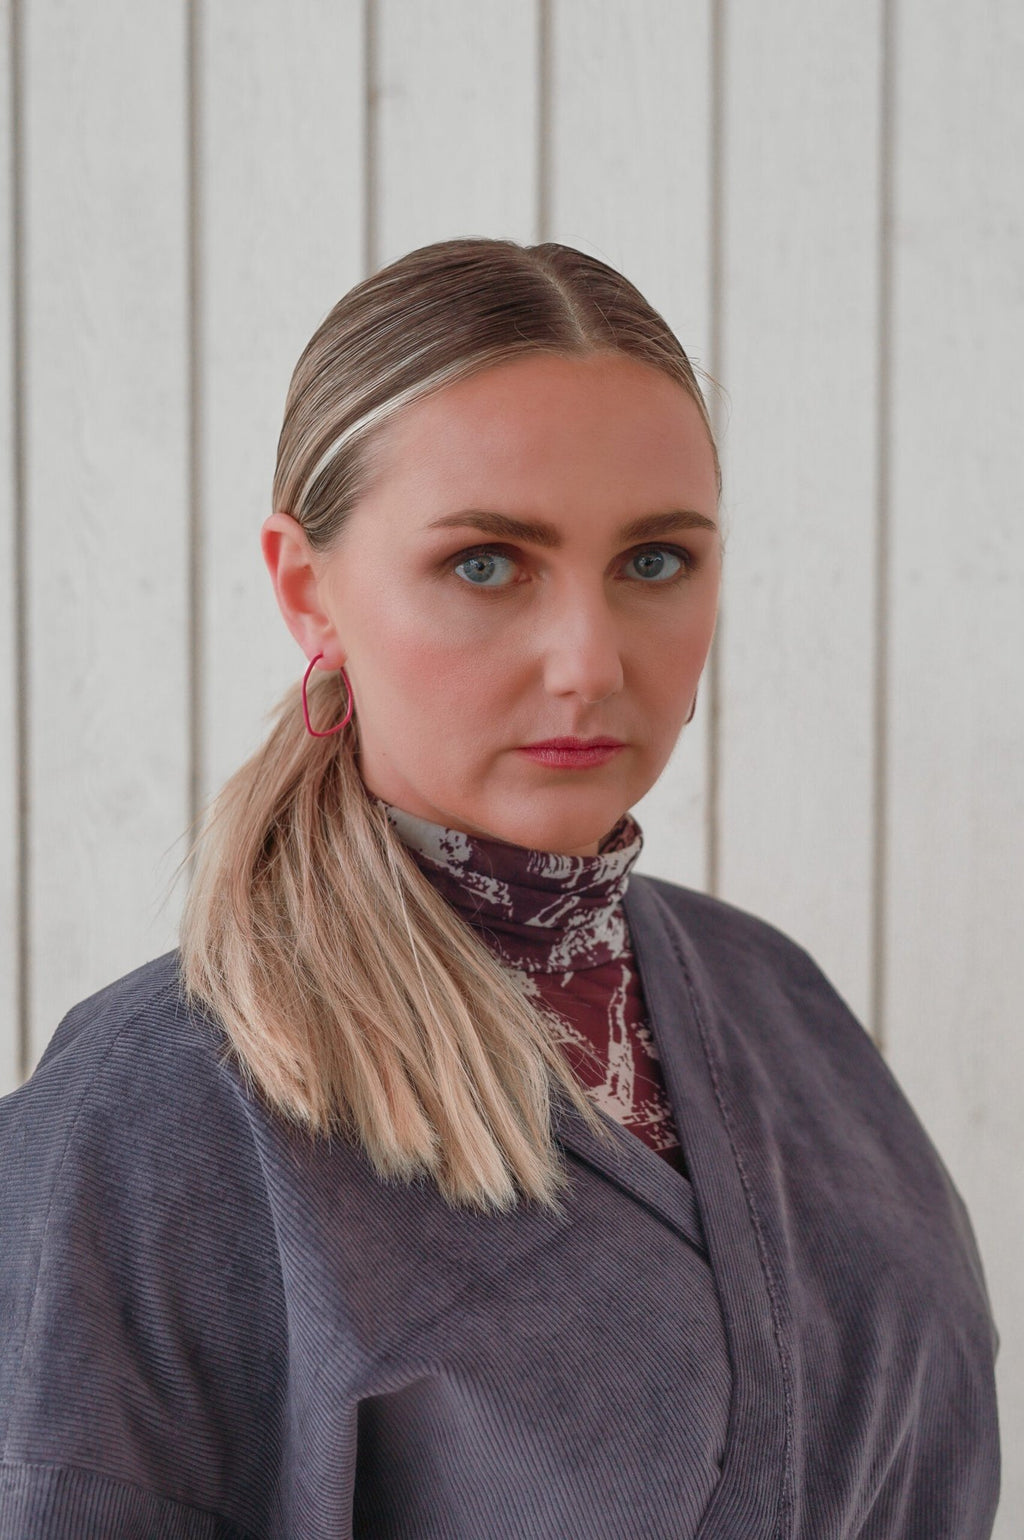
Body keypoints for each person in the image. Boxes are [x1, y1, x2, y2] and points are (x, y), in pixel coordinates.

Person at [0, 237, 1000, 1539]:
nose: (587, 661)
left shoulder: (780, 1003)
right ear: (309, 591)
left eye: (653, 562)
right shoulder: (154, 1113)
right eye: (487, 563)